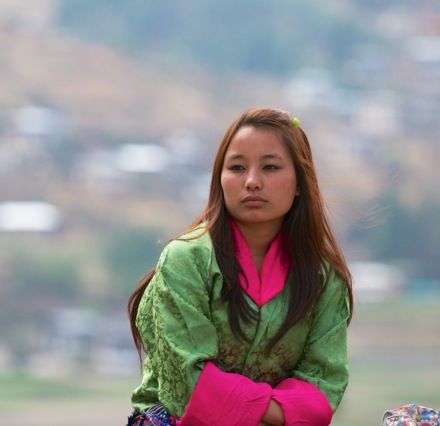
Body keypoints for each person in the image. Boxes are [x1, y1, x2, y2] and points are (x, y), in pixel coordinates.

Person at [126, 107, 353, 426]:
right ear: (220, 179)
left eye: (270, 167)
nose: (252, 182)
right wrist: (284, 411)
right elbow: (190, 386)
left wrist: (232, 401)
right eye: (236, 167)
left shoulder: (323, 278)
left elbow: (324, 388)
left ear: (300, 182)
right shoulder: (185, 260)